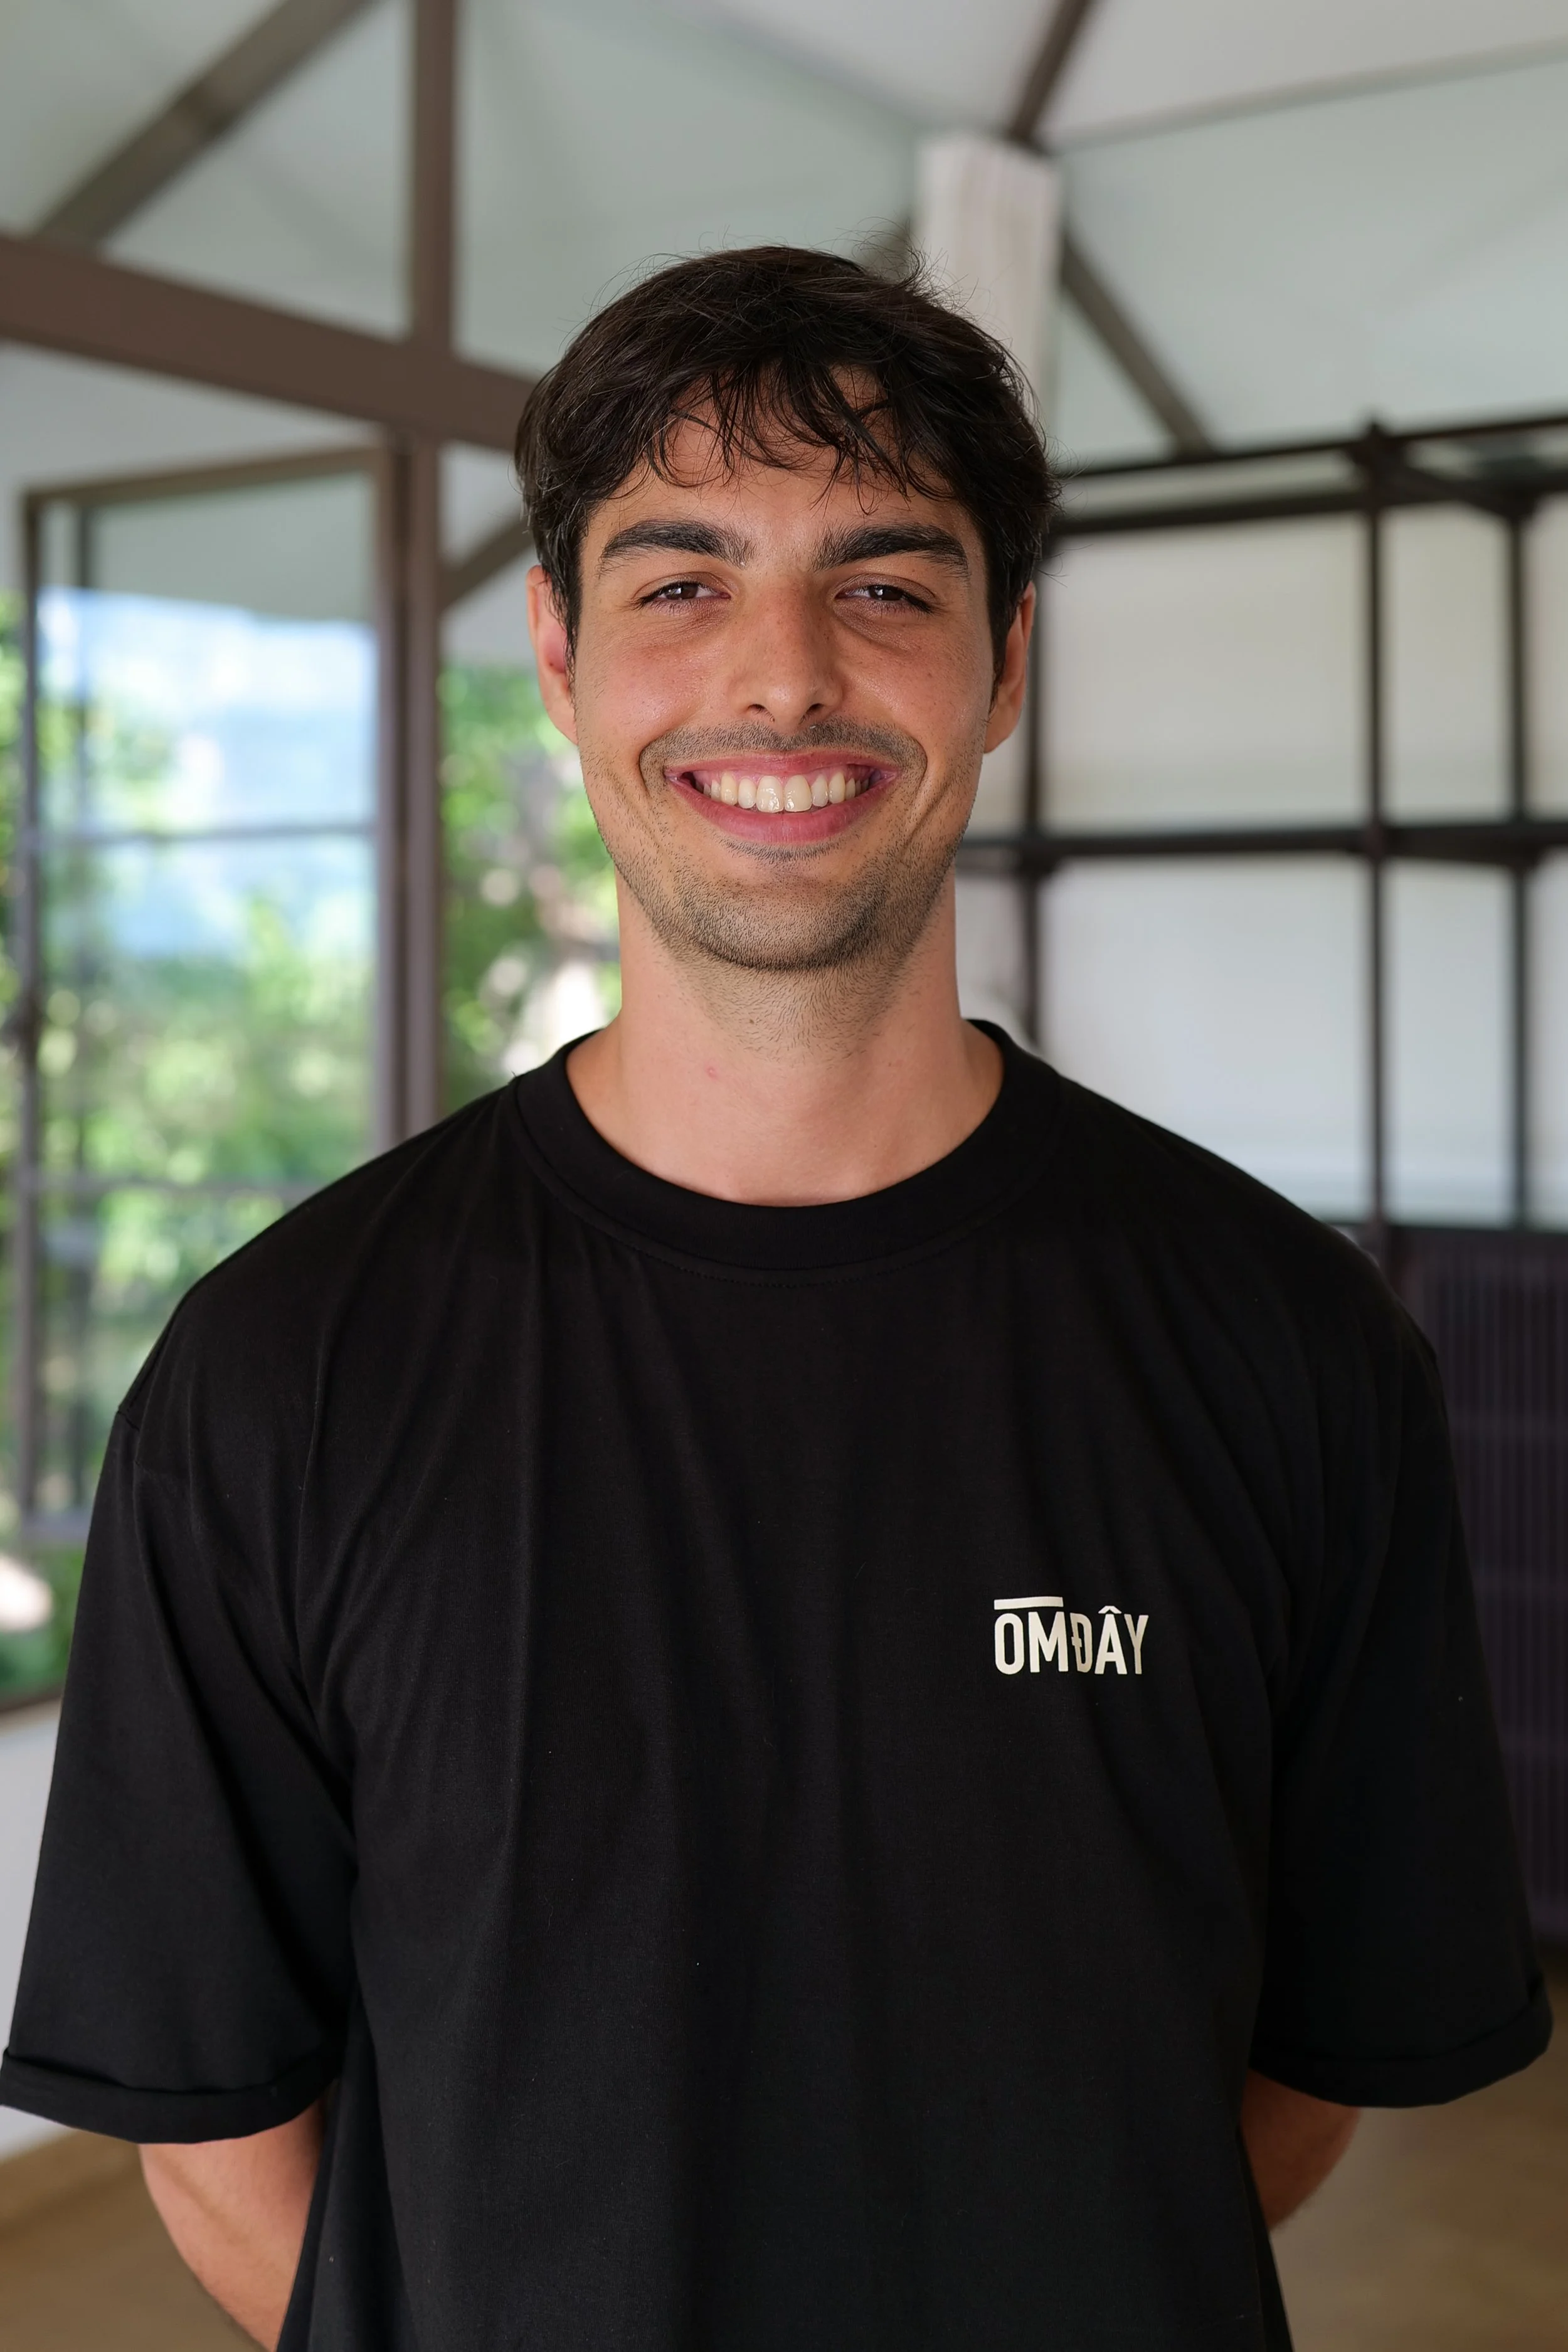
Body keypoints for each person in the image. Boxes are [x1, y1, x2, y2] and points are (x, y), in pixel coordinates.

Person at [0, 247, 1550, 2351]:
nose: (784, 677)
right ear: (558, 654)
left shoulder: (1286, 1343)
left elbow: (1284, 2089)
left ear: (1005, 660)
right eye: (681, 581)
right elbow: (220, 2141)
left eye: (885, 582)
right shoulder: (283, 1370)